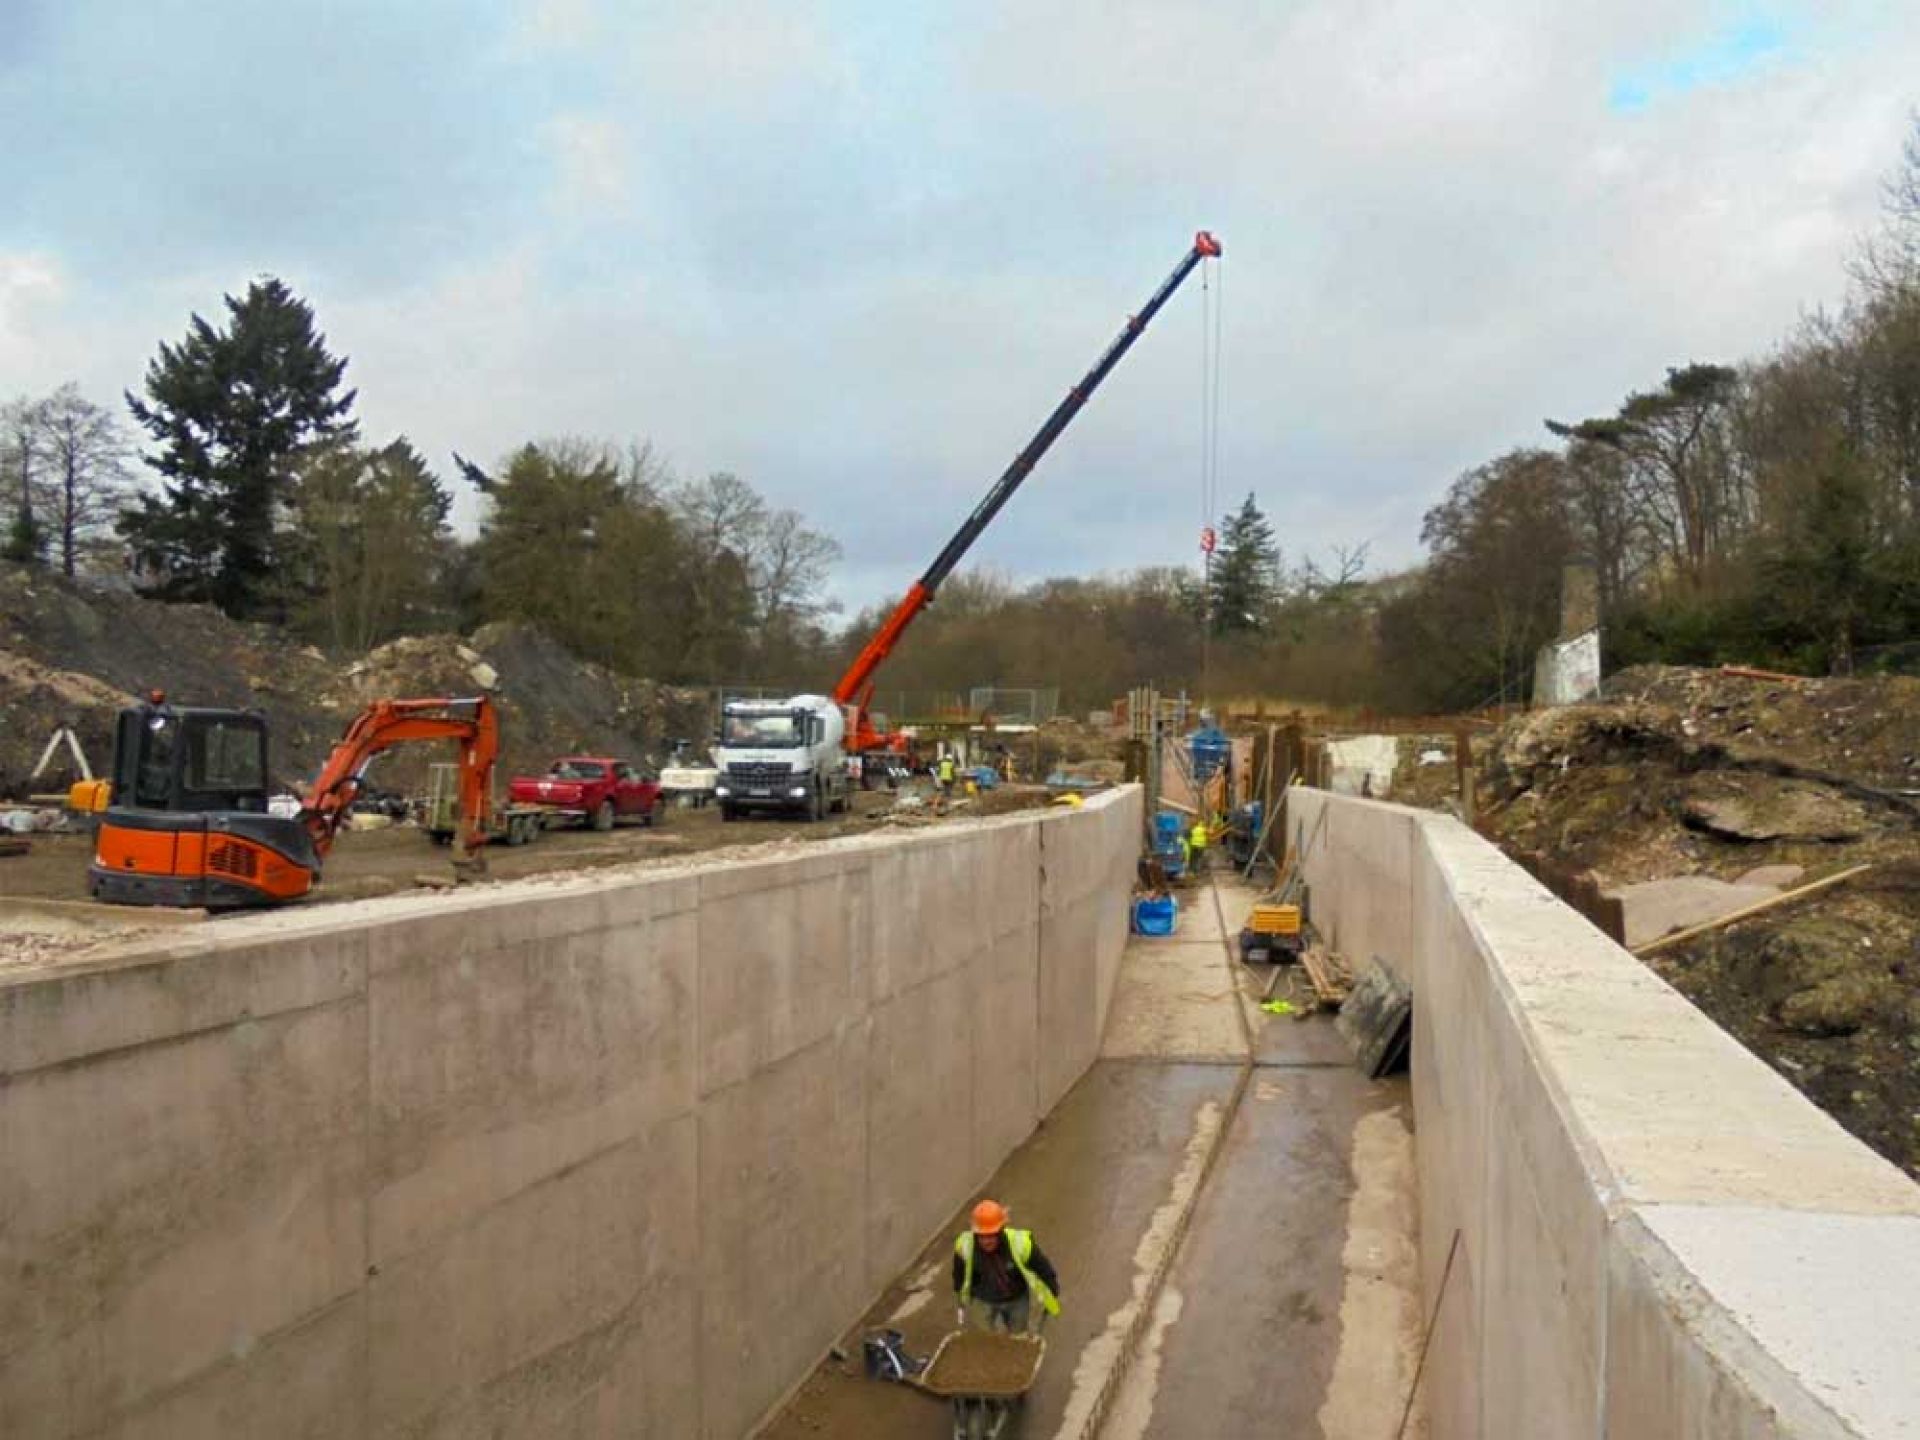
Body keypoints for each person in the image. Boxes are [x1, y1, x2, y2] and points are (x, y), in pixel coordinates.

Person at [952, 1199, 1061, 1334]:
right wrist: (958, 1289)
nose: (986, 1241)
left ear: (1000, 1231)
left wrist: (1051, 1284)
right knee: (985, 1337)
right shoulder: (965, 1246)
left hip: (1016, 1299)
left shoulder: (1020, 1243)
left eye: (991, 1236)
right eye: (982, 1236)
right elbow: (959, 1272)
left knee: (1018, 1334)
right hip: (983, 1299)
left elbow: (1041, 1266)